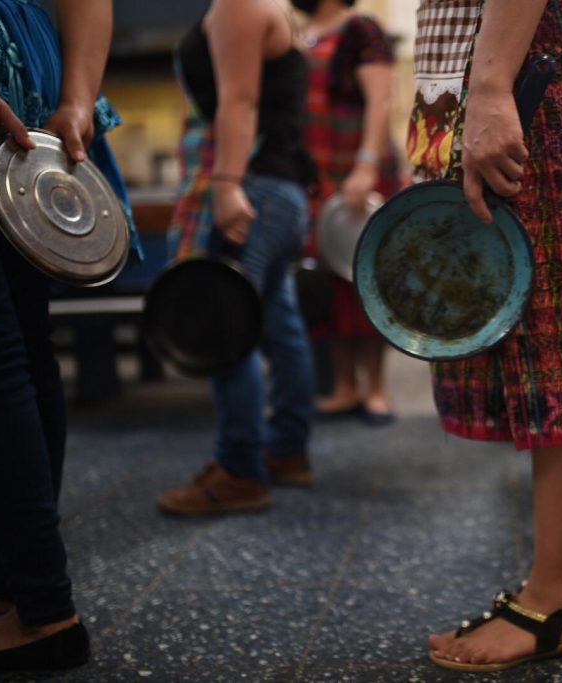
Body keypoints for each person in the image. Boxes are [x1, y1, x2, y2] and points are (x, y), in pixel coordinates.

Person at [410, 0, 562, 671]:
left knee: (555, 331)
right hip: (518, 50)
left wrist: (489, 85)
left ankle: (556, 599)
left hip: (525, 53)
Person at [0, 0, 139, 671]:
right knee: (20, 343)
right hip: (33, 74)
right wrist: (77, 97)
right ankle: (18, 583)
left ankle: (44, 607)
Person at [157, 0, 319, 514]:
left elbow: (241, 100)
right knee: (276, 319)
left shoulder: (240, 5)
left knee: (225, 325)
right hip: (280, 186)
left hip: (250, 185)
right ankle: (287, 451)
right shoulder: (275, 7)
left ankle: (240, 470)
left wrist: (226, 185)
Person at [299, 0, 403, 426]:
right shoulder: (302, 31)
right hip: (318, 172)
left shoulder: (362, 28)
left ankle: (376, 388)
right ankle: (344, 385)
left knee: (369, 278)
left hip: (359, 167)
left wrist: (365, 166)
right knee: (330, 280)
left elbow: (381, 100)